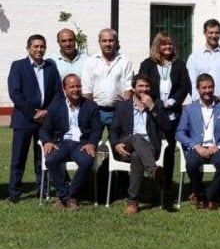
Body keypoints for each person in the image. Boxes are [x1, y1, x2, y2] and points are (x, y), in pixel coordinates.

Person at [7, 34, 62, 202]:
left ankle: (42, 188)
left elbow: (58, 94)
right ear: (28, 48)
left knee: (42, 156)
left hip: (45, 121)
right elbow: (15, 93)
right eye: (35, 46)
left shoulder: (51, 67)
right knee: (19, 157)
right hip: (24, 119)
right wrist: (33, 113)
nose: (39, 49)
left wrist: (47, 112)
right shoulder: (18, 66)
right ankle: (15, 192)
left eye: (42, 46)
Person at [110, 74, 172, 215]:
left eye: (147, 86)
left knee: (137, 156)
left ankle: (133, 202)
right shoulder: (122, 106)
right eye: (141, 86)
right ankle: (153, 171)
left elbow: (167, 127)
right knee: (136, 137)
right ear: (134, 88)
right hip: (126, 146)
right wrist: (116, 144)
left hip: (149, 148)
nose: (144, 89)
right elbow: (113, 130)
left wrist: (152, 107)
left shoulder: (157, 104)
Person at [138, 31, 192, 191]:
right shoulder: (147, 64)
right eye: (163, 44)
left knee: (169, 148)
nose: (167, 47)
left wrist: (171, 102)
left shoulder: (179, 64)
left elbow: (184, 87)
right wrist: (155, 103)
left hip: (173, 114)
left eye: (170, 44)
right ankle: (149, 180)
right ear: (157, 46)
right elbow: (142, 85)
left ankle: (166, 183)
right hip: (152, 112)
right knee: (152, 145)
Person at [176, 73, 220, 211]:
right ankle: (201, 195)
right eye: (204, 88)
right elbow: (180, 132)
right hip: (197, 147)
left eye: (210, 87)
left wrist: (219, 146)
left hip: (216, 147)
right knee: (191, 163)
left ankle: (211, 197)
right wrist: (195, 146)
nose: (207, 90)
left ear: (214, 88)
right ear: (198, 89)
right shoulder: (189, 109)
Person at [40, 74, 100, 209]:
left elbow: (97, 129)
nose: (75, 89)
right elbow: (44, 129)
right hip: (61, 143)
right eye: (71, 86)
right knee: (50, 159)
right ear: (64, 89)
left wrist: (92, 143)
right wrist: (46, 142)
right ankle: (67, 197)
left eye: (78, 86)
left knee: (87, 161)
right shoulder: (56, 106)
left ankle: (68, 195)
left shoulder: (91, 106)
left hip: (81, 144)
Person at [81, 28, 133, 133]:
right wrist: (89, 111)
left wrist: (125, 111)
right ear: (99, 42)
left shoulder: (125, 61)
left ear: (116, 42)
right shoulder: (91, 61)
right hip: (96, 110)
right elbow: (87, 89)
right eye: (104, 41)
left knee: (117, 145)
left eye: (111, 40)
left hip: (117, 110)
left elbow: (128, 88)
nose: (107, 44)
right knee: (92, 143)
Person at [186, 18, 220, 104]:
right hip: (199, 102)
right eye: (210, 32)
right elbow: (191, 80)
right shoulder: (194, 57)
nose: (214, 35)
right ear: (204, 33)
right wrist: (198, 99)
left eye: (217, 33)